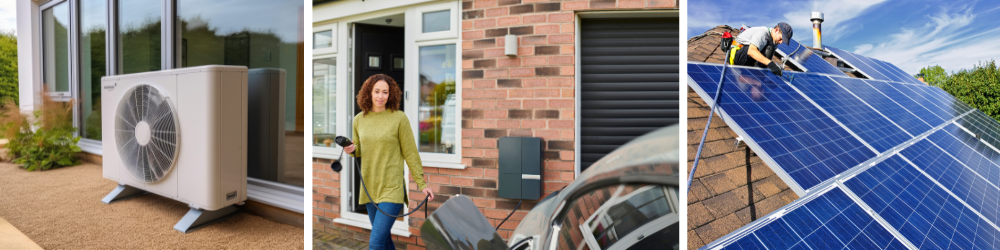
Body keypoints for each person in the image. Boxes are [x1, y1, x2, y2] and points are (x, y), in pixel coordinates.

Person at [343, 74, 435, 250]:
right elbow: (358, 150)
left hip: (391, 188)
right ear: (368, 93)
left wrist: (422, 184)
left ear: (390, 94)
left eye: (385, 92)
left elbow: (411, 153)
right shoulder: (359, 119)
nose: (380, 96)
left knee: (376, 243)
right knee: (384, 240)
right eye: (377, 91)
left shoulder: (399, 118)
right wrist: (350, 150)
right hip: (369, 187)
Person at [728, 22, 793, 76]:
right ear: (776, 30)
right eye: (781, 39)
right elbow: (751, 51)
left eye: (783, 41)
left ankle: (758, 77)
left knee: (770, 49)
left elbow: (768, 59)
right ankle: (752, 75)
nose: (781, 42)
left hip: (748, 59)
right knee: (767, 49)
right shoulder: (763, 33)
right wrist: (771, 65)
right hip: (736, 55)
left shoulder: (774, 42)